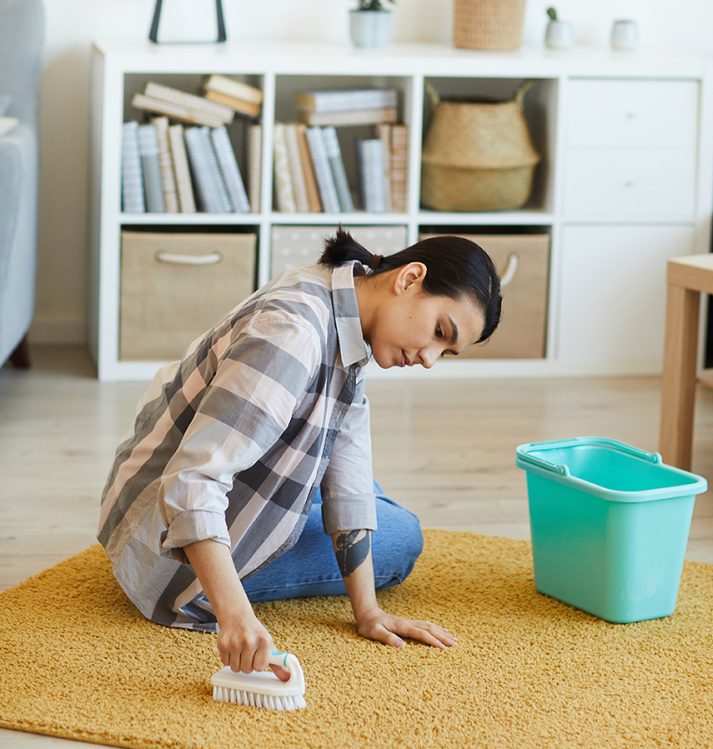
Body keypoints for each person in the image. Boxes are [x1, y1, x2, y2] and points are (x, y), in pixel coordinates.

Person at [98, 228, 501, 680]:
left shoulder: (336, 294)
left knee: (357, 485)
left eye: (446, 352)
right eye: (439, 332)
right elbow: (193, 480)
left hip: (146, 492)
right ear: (409, 278)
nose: (429, 358)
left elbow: (347, 457)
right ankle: (210, 585)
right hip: (160, 554)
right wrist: (236, 618)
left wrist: (368, 612)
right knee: (401, 536)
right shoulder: (293, 333)